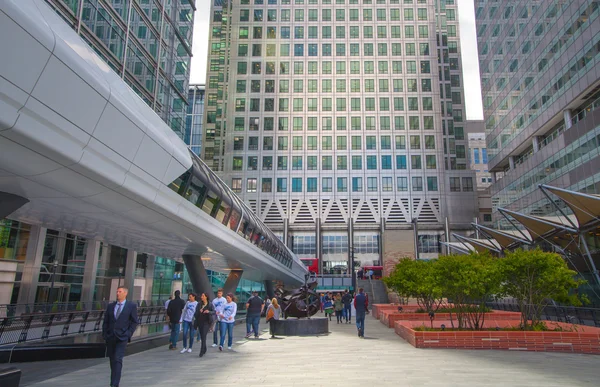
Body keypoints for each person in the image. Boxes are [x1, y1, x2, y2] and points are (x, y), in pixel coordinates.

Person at [102, 286, 138, 387]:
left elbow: (134, 321)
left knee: (118, 359)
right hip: (110, 337)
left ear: (125, 293)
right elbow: (106, 321)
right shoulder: (111, 306)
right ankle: (113, 380)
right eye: (117, 291)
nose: (117, 293)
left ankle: (114, 384)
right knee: (112, 360)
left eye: (120, 292)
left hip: (122, 337)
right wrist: (105, 334)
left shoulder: (131, 306)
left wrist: (128, 333)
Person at [193, 292, 215, 357]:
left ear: (206, 297)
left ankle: (202, 351)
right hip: (200, 321)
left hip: (207, 322)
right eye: (201, 296)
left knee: (204, 335)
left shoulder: (210, 304)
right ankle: (204, 348)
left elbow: (214, 311)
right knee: (202, 336)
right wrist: (199, 311)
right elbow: (195, 313)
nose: (201, 297)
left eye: (203, 296)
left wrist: (208, 312)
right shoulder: (199, 304)